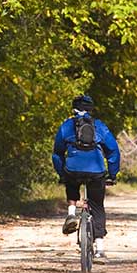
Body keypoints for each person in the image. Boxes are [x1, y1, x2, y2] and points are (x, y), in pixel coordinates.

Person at [52, 94, 120, 259]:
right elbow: (113, 151)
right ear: (91, 109)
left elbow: (57, 153)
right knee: (97, 207)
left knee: (71, 180)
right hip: (96, 171)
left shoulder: (66, 126)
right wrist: (112, 174)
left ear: (73, 109)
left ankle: (71, 213)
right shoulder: (99, 126)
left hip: (73, 169)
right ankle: (100, 249)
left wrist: (62, 173)